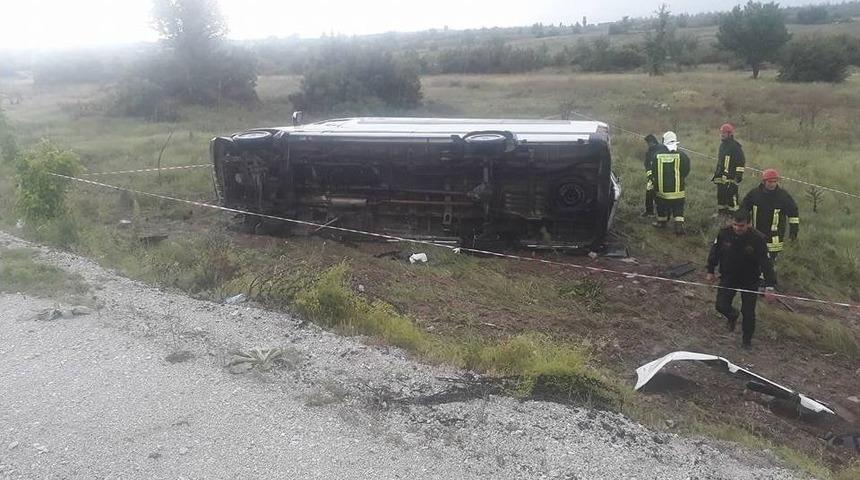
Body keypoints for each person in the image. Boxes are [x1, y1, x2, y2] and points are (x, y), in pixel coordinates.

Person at [706, 210, 776, 349]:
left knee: (748, 313)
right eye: (735, 225)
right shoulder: (724, 233)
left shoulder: (758, 239)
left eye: (741, 226)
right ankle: (732, 315)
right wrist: (710, 270)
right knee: (721, 305)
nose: (738, 228)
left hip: (750, 279)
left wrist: (769, 285)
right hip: (729, 276)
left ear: (749, 224)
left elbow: (766, 263)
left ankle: (746, 341)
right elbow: (715, 252)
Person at [739, 168, 799, 264]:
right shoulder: (754, 194)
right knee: (752, 260)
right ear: (763, 181)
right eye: (769, 181)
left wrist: (793, 234)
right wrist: (742, 226)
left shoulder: (783, 196)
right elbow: (743, 209)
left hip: (774, 238)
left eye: (774, 181)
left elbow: (793, 215)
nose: (772, 184)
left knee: (769, 263)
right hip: (756, 233)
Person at [651, 131, 691, 235]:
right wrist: (680, 178)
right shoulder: (682, 155)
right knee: (678, 208)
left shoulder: (657, 155)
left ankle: (661, 222)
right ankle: (678, 226)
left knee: (661, 206)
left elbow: (653, 170)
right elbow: (686, 170)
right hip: (678, 191)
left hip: (661, 191)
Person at [712, 123, 746, 216]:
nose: (722, 134)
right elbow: (720, 161)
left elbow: (741, 162)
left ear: (730, 134)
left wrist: (738, 175)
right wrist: (716, 174)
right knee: (721, 196)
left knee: (732, 197)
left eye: (724, 133)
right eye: (721, 132)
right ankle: (721, 214)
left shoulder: (735, 147)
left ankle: (734, 216)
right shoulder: (722, 145)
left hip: (731, 177)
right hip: (721, 176)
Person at [641, 134, 660, 217]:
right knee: (649, 193)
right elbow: (647, 164)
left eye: (648, 143)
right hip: (651, 176)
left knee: (659, 195)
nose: (648, 145)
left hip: (661, 175)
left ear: (653, 142)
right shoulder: (649, 151)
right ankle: (649, 211)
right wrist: (650, 176)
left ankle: (661, 213)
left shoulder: (661, 149)